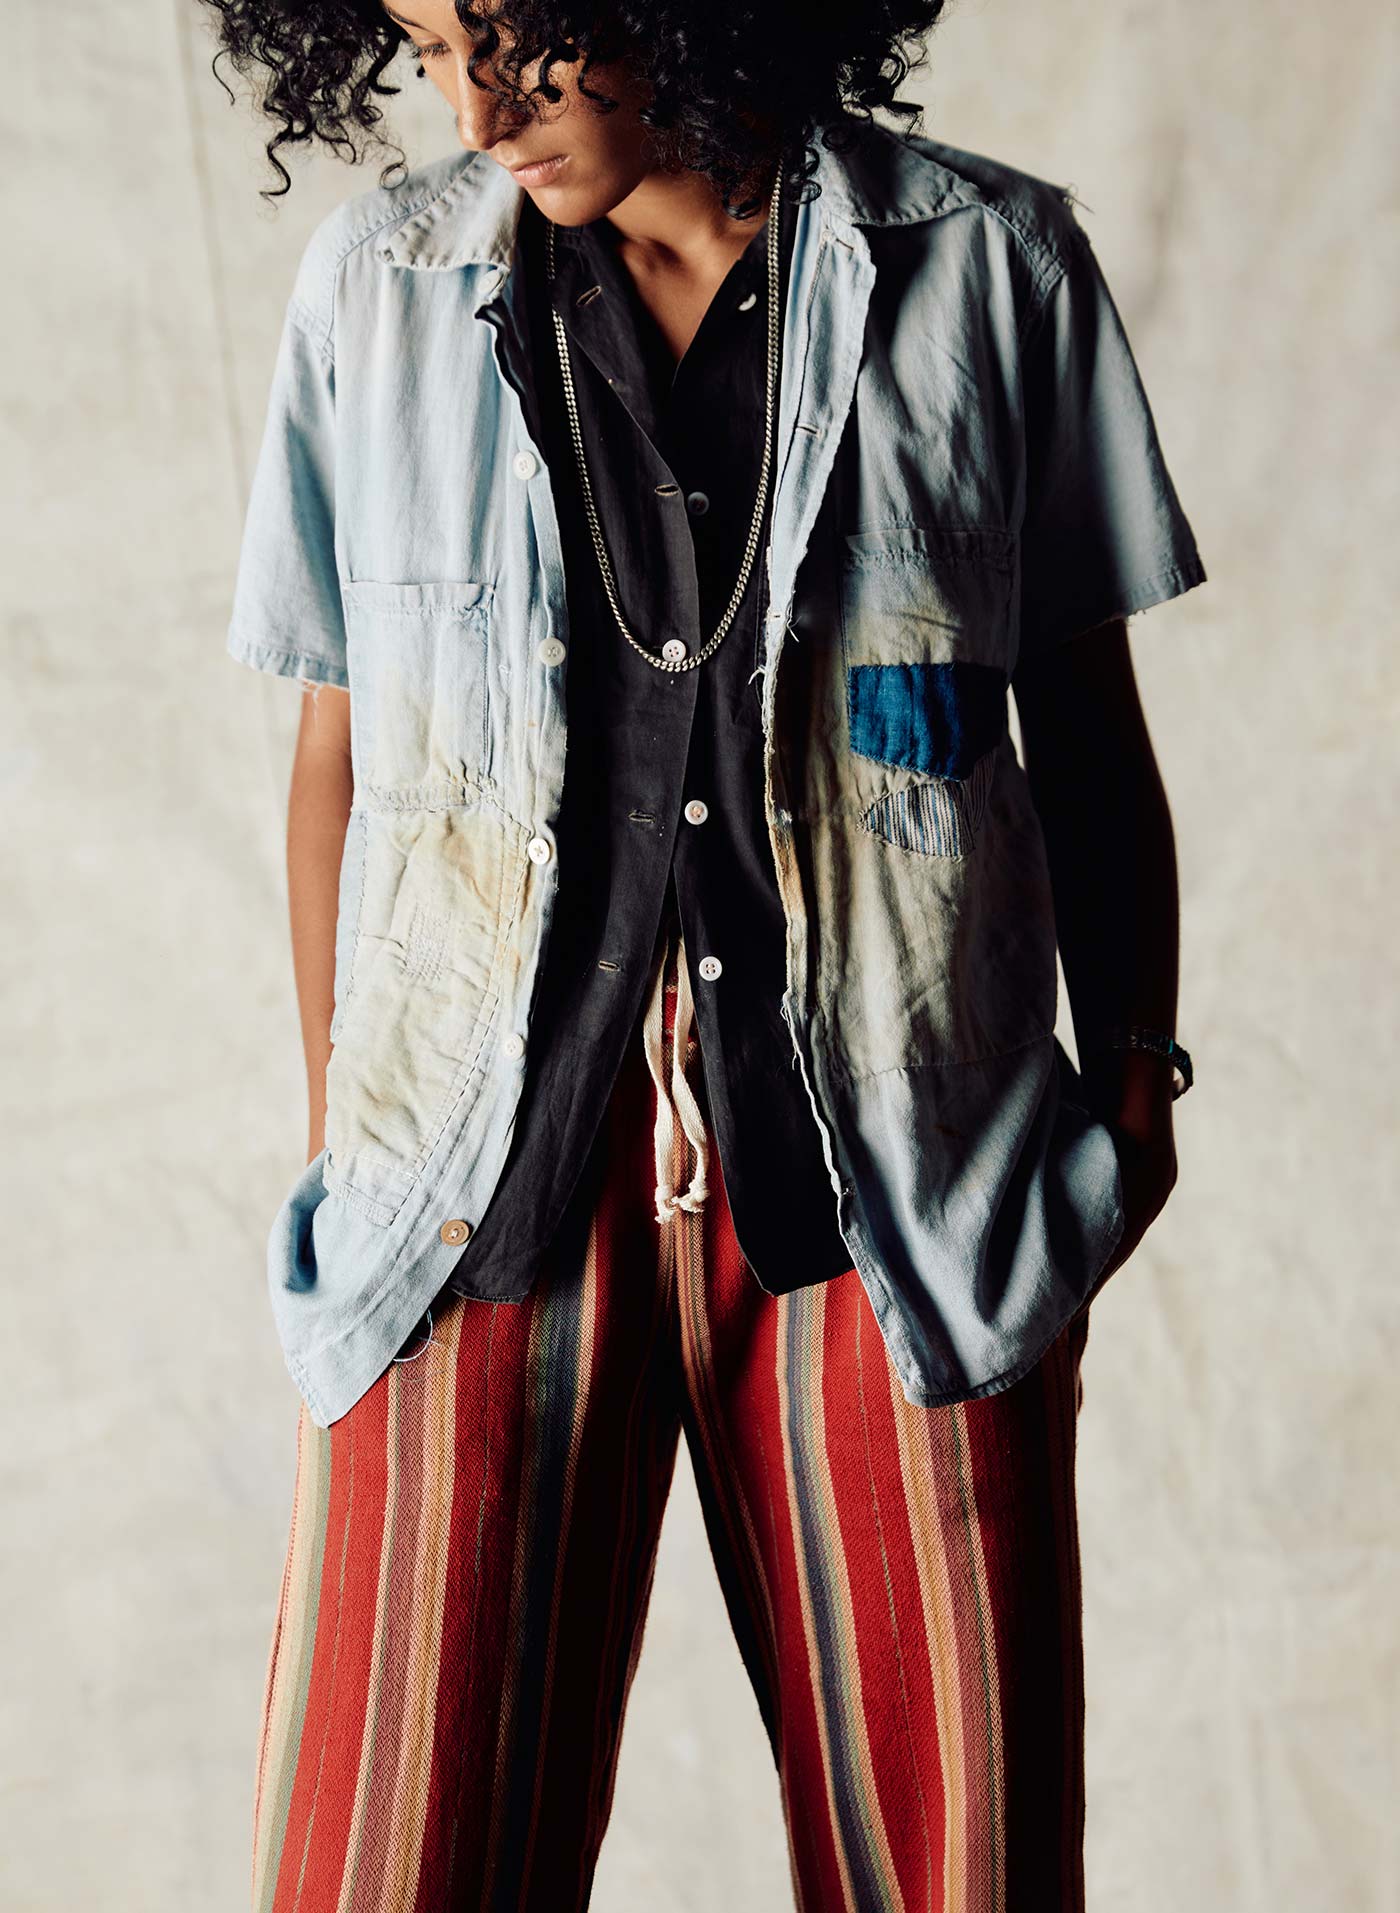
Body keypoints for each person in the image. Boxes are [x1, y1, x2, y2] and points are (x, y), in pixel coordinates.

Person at [206, 0, 1204, 1904]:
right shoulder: (378, 291)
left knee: (959, 1866)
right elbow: (341, 751)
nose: (476, 110)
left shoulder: (988, 268)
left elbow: (1085, 728)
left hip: (902, 1172)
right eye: (424, 44)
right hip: (474, 1169)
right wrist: (352, 1122)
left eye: (516, 36)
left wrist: (1136, 1090)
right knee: (383, 1853)